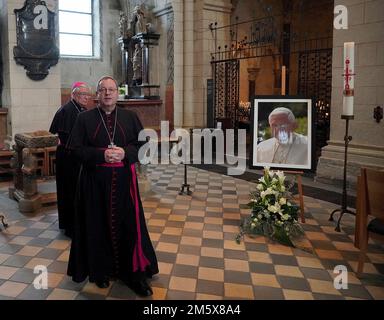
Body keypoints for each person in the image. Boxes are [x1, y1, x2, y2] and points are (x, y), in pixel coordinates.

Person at [67, 76, 158, 296]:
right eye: (103, 90)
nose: (107, 93)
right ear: (97, 95)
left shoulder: (130, 117)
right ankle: (100, 271)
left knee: (129, 228)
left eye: (112, 90)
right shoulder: (84, 119)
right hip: (94, 185)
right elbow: (74, 151)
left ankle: (133, 274)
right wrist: (101, 154)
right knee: (96, 228)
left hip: (125, 184)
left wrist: (126, 153)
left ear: (118, 93)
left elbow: (144, 147)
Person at [49, 82, 91, 238]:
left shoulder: (79, 109)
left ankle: (75, 225)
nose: (86, 97)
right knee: (70, 192)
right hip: (68, 158)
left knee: (76, 192)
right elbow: (65, 137)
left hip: (73, 157)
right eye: (83, 94)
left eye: (88, 94)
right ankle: (71, 228)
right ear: (73, 95)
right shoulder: (67, 110)